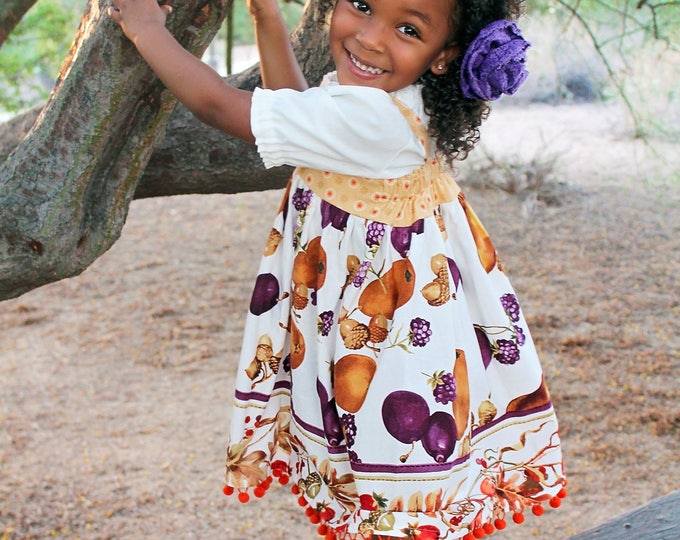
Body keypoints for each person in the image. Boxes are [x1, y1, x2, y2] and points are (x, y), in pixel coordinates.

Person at [108, 0, 567, 538]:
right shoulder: (390, 102)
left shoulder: (374, 119)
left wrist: (145, 29)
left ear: (444, 57)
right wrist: (267, 17)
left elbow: (216, 105)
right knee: (367, 461)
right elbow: (299, 110)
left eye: (407, 29)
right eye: (364, 5)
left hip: (381, 336)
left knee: (383, 465)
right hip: (369, 316)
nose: (371, 37)